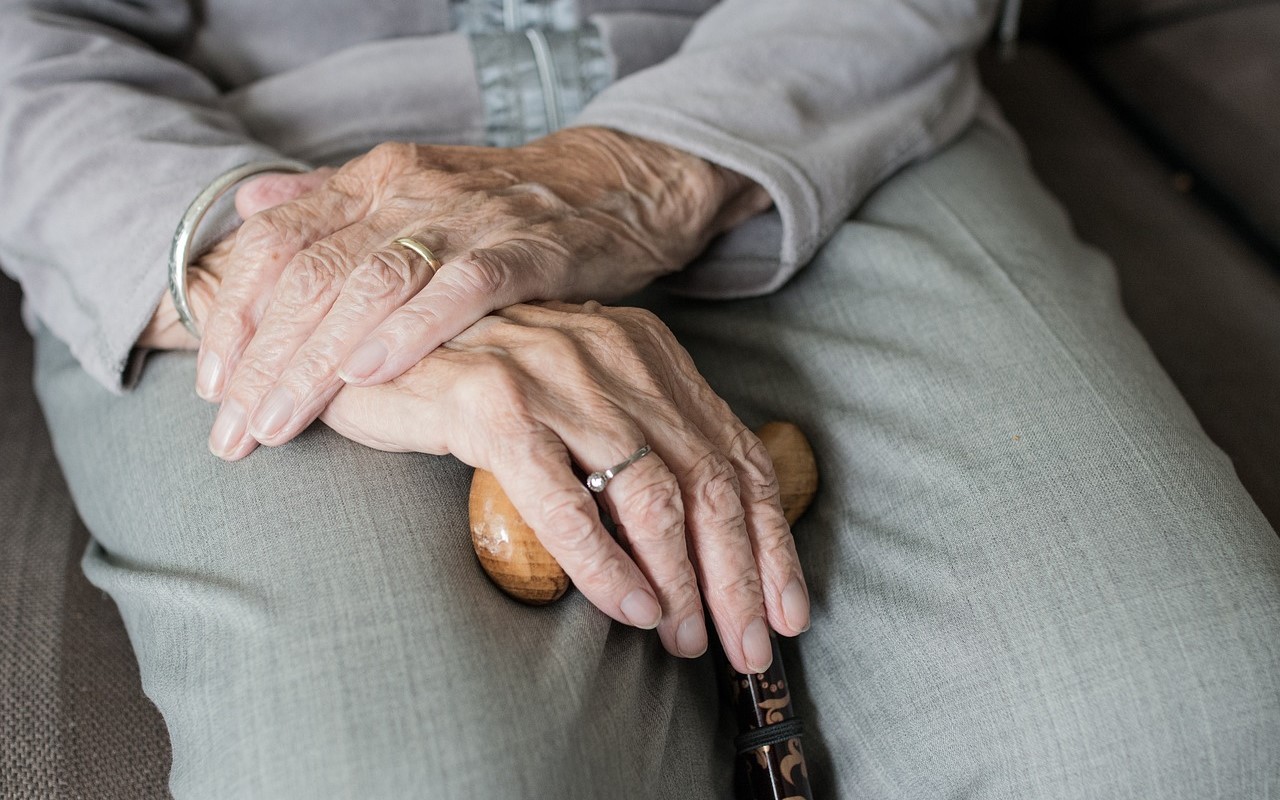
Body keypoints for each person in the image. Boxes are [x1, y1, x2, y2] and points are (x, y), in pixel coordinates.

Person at [2, 0, 1277, 797]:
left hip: (808, 97)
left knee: (1189, 724)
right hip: (247, 171)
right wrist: (287, 278)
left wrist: (633, 173)